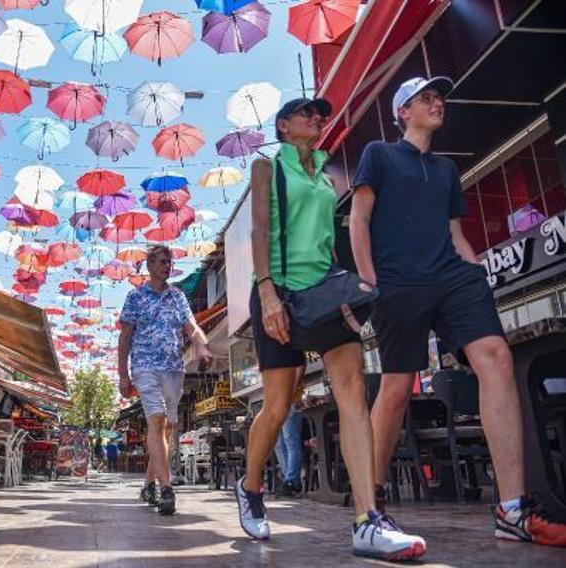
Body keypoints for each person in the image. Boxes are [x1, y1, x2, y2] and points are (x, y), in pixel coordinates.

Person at [350, 76, 566, 547]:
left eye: (439, 96)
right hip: (398, 281)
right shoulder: (378, 155)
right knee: (396, 388)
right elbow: (359, 219)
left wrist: (478, 276)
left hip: (454, 276)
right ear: (403, 111)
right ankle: (373, 501)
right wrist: (371, 282)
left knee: (496, 356)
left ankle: (512, 510)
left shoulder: (447, 170)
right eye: (426, 98)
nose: (437, 102)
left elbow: (456, 233)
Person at [236, 96, 426, 561]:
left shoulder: (324, 175)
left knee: (352, 391)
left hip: (325, 293)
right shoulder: (267, 167)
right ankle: (250, 485)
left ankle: (367, 519)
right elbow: (260, 232)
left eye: (320, 115)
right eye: (306, 114)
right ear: (283, 126)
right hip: (279, 292)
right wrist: (266, 293)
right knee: (278, 405)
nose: (317, 120)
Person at [118, 244, 212, 516]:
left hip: (173, 368)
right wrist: (123, 375)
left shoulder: (178, 297)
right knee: (156, 420)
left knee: (166, 428)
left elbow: (191, 327)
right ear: (149, 266)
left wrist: (202, 345)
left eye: (168, 262)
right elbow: (124, 338)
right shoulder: (135, 298)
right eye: (161, 262)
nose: (166, 267)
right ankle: (167, 489)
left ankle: (149, 483)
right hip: (145, 367)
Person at [274, 367, 304, 497]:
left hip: (290, 399)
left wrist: (291, 391)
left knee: (290, 440)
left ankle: (291, 480)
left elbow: (300, 367)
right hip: (276, 401)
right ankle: (289, 480)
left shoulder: (293, 349)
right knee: (278, 444)